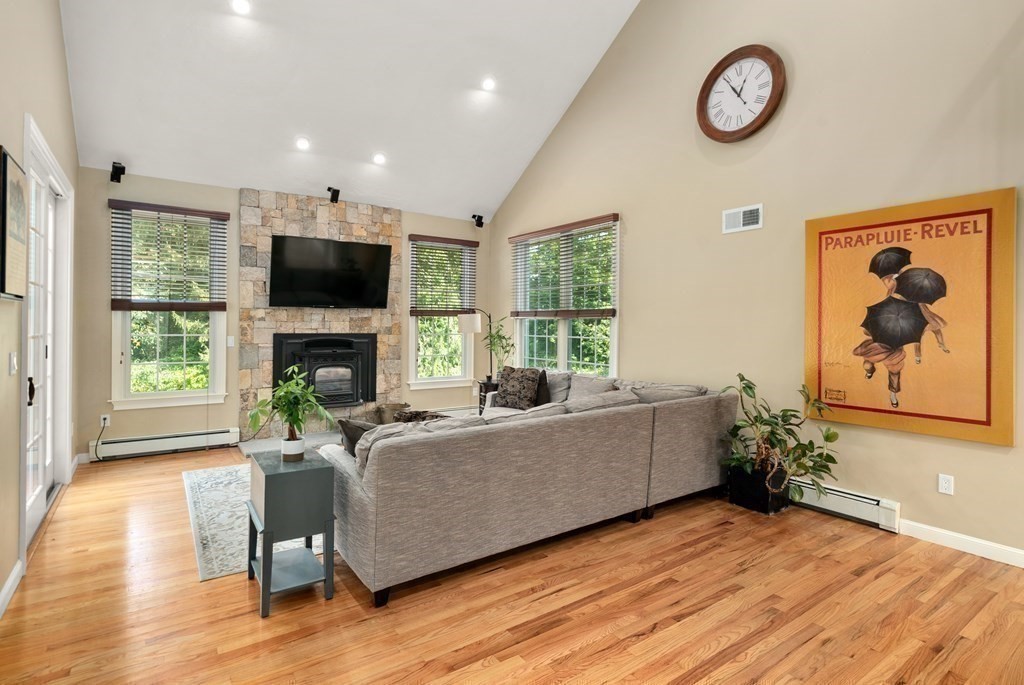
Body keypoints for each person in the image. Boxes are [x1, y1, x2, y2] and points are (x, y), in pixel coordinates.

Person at [853, 332, 905, 408]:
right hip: (877, 345)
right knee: (867, 365)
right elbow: (866, 331)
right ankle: (870, 371)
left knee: (894, 372)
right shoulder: (879, 321)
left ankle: (893, 394)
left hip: (894, 350)